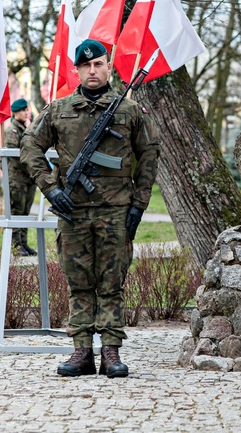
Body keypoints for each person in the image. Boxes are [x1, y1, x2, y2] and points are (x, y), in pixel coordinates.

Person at [21, 39, 160, 378]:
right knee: (79, 282)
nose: (93, 70)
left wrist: (138, 205)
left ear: (109, 67)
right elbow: (29, 145)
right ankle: (81, 350)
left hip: (115, 211)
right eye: (86, 66)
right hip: (74, 212)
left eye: (99, 64)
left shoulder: (128, 111)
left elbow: (149, 155)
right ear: (77, 70)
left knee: (112, 282)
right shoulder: (59, 110)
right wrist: (51, 190)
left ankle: (110, 351)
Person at [4, 98, 37, 256]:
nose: (26, 112)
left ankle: (24, 242)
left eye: (27, 110)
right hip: (17, 178)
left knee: (25, 211)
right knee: (17, 211)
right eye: (23, 110)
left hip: (29, 177)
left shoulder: (27, 128)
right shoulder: (13, 130)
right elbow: (15, 156)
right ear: (15, 112)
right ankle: (16, 244)